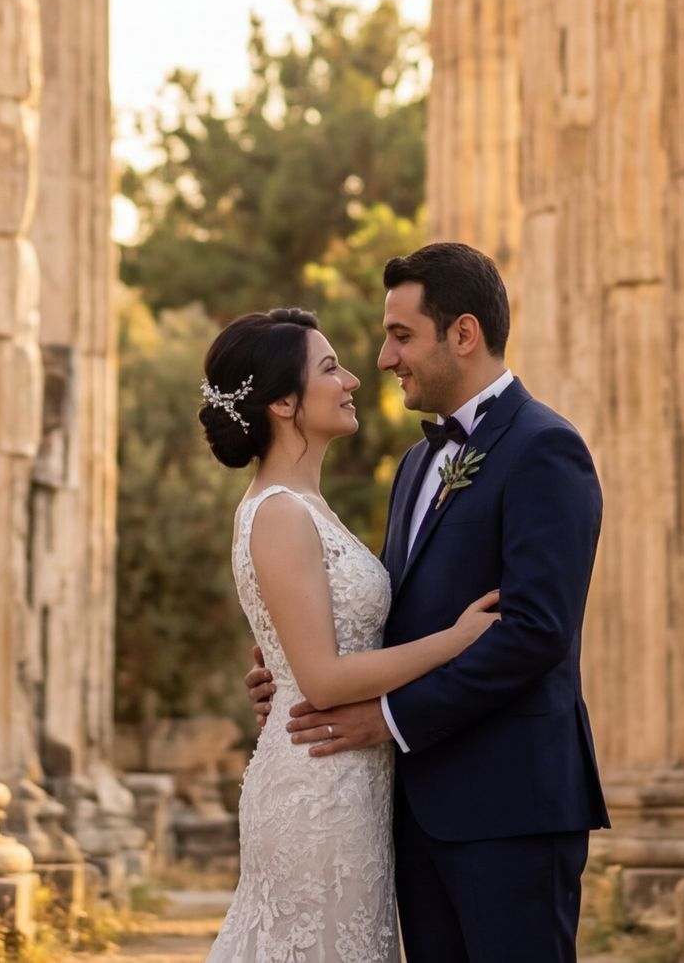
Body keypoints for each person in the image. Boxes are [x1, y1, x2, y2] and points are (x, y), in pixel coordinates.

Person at [248, 242, 610, 963]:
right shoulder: (415, 464)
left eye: (401, 335)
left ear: (463, 334)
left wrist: (387, 718)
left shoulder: (546, 448)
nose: (385, 358)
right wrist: (295, 672)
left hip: (511, 809)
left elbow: (534, 631)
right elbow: (397, 617)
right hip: (414, 814)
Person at [199, 306, 503, 963]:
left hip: (353, 783)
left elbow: (313, 649)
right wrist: (456, 640)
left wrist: (278, 673)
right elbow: (323, 679)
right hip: (317, 791)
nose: (354, 380)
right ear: (283, 402)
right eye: (330, 368)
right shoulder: (280, 513)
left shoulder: (308, 507)